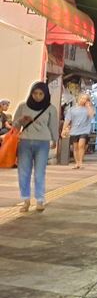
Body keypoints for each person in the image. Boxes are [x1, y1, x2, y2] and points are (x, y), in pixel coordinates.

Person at [13, 82, 60, 212]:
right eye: (35, 93)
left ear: (45, 94)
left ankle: (40, 200)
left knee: (40, 172)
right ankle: (26, 200)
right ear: (31, 93)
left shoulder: (50, 108)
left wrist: (55, 139)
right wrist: (22, 120)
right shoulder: (23, 106)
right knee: (23, 172)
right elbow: (14, 125)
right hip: (25, 142)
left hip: (43, 142)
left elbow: (53, 125)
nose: (37, 96)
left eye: (41, 94)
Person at [63, 93, 95, 169]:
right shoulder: (72, 109)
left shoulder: (89, 108)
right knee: (75, 147)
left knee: (81, 145)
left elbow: (91, 115)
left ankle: (81, 162)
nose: (83, 100)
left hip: (84, 130)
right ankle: (77, 162)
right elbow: (67, 120)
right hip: (74, 130)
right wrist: (63, 129)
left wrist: (88, 106)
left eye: (86, 99)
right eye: (82, 98)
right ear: (79, 98)